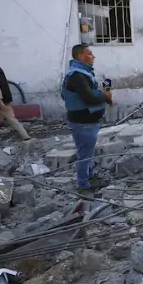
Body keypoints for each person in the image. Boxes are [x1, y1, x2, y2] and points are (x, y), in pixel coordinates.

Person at [61, 44, 112, 192]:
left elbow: (66, 95)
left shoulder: (81, 73)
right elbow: (89, 97)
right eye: (90, 54)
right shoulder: (77, 75)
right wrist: (105, 95)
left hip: (86, 122)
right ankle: (84, 185)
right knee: (84, 155)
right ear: (81, 57)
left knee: (86, 153)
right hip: (83, 123)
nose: (93, 56)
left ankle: (89, 177)